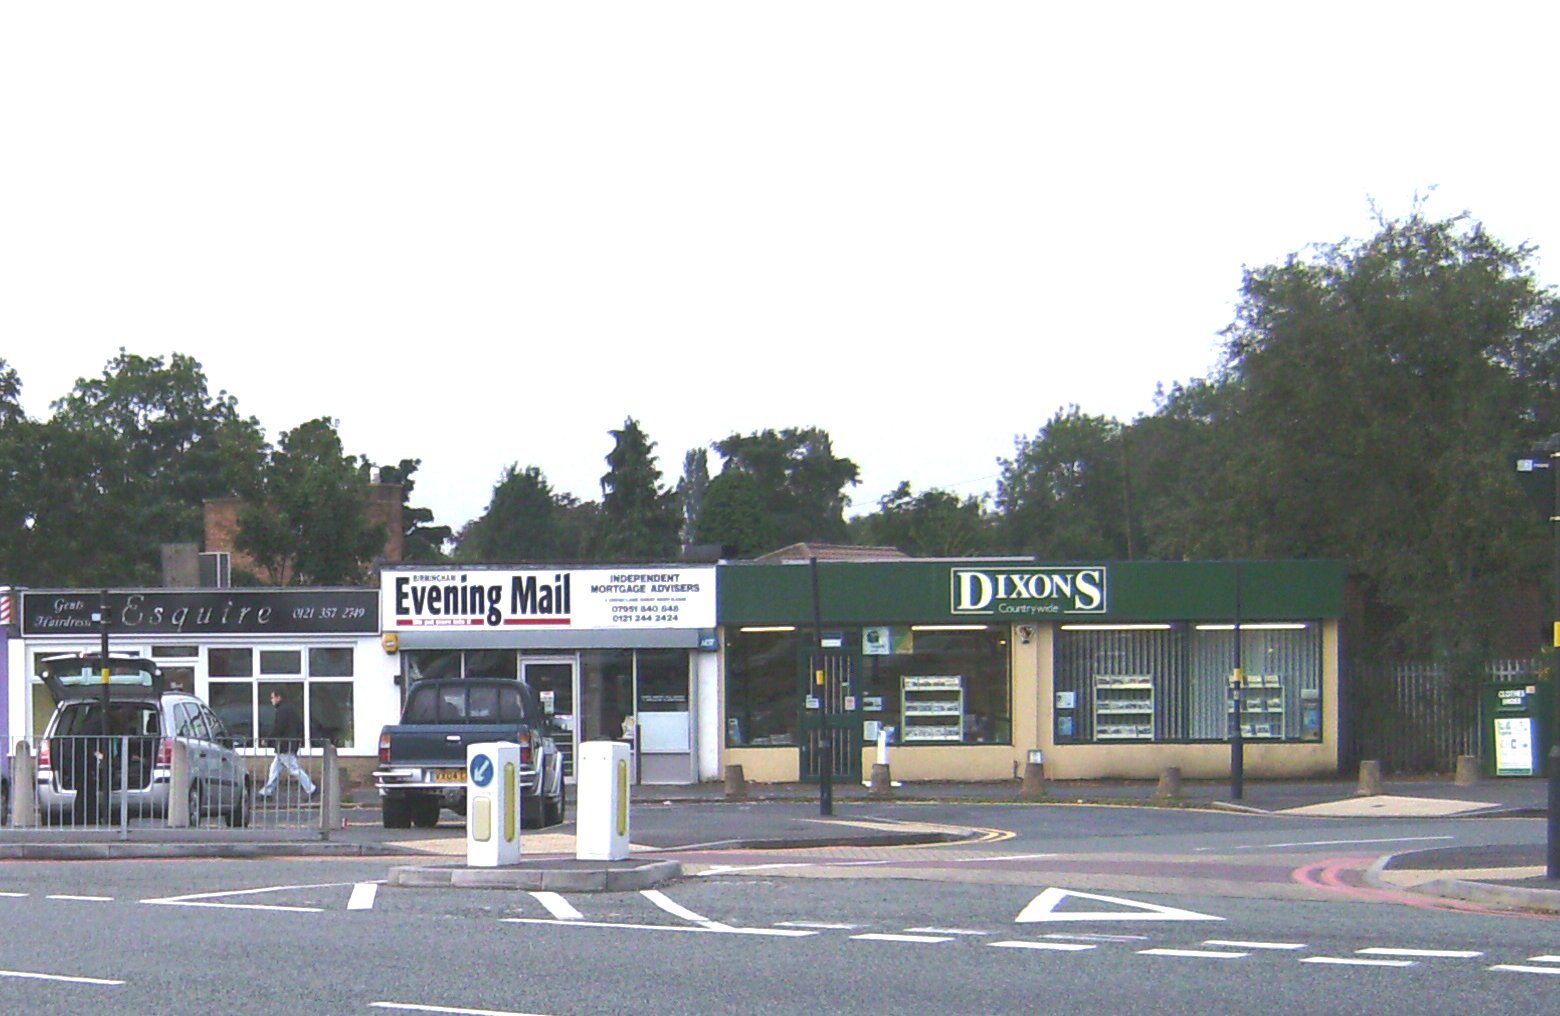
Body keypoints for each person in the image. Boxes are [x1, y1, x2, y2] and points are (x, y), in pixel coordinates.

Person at [258, 689, 317, 799]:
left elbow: (278, 728)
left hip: (285, 745)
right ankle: (267, 792)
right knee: (274, 770)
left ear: (278, 697)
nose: (271, 700)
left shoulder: (282, 711)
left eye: (272, 698)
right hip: (288, 744)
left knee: (294, 769)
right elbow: (298, 726)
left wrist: (268, 739)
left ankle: (311, 788)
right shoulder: (290, 710)